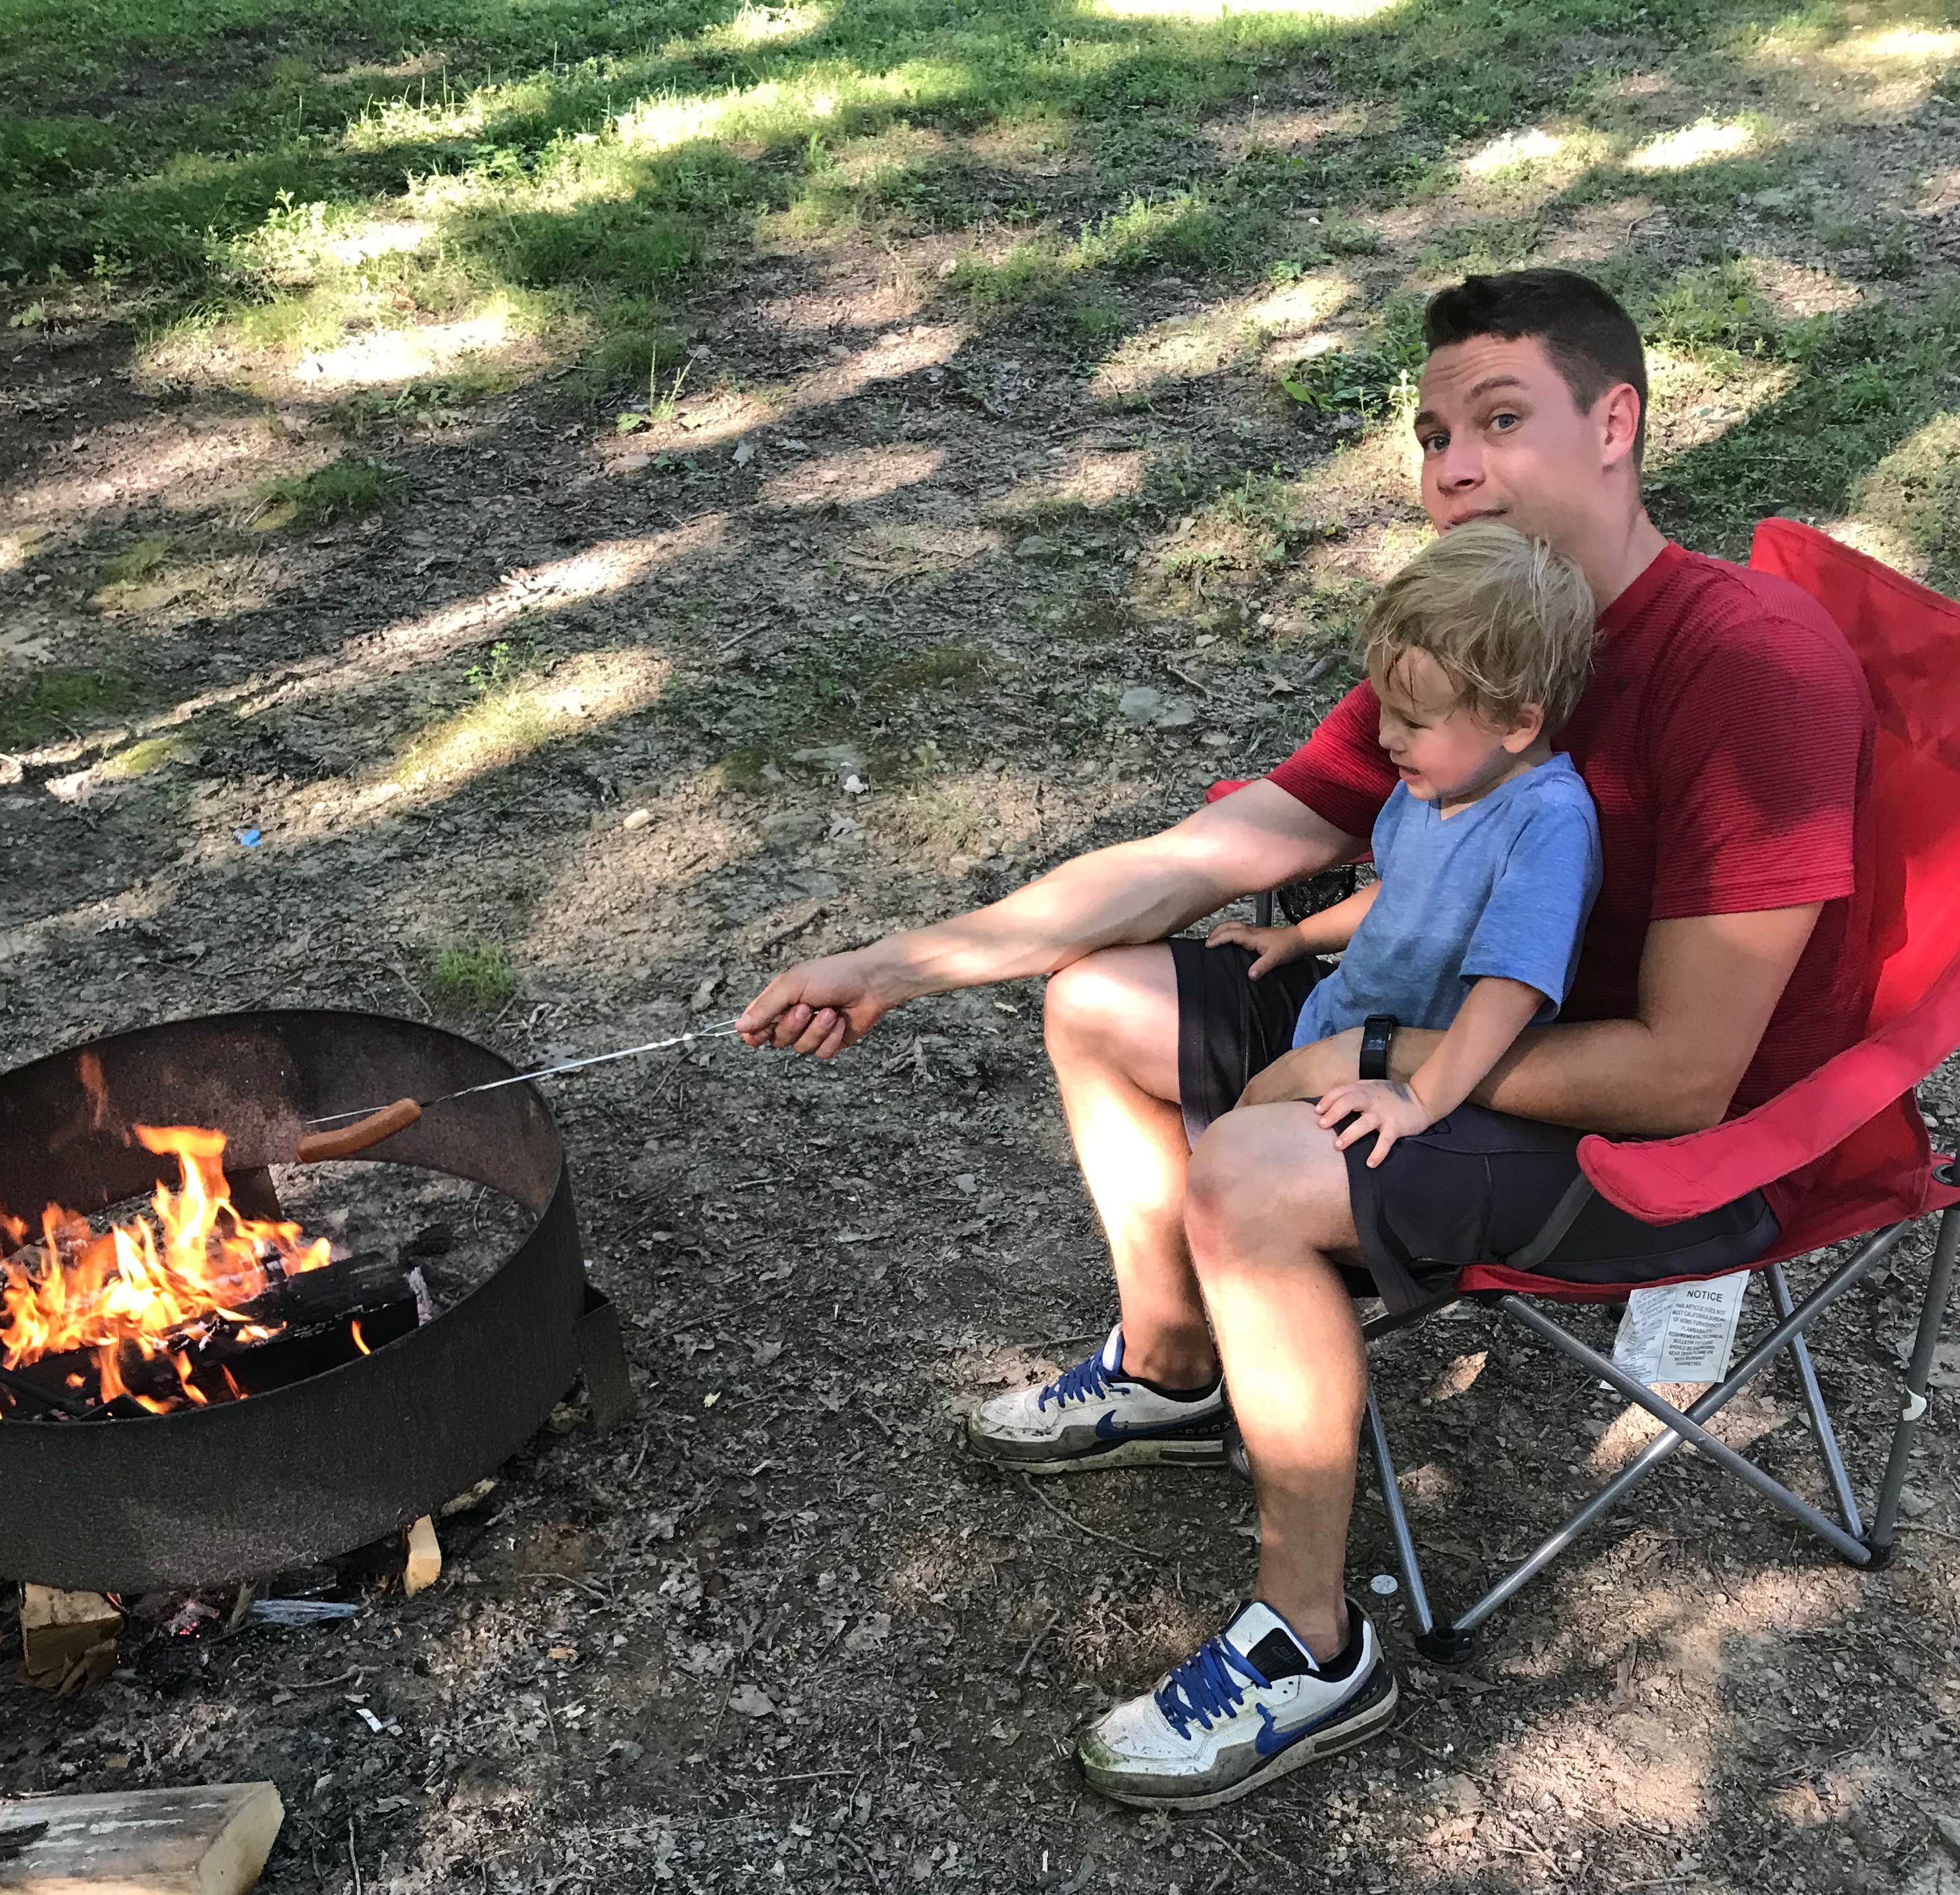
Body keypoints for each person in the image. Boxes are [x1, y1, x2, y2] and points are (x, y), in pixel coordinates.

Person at [737, 266, 1874, 1815]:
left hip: (1659, 1141)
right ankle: (1175, 1362)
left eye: (1499, 421)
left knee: (1259, 1175)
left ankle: (1315, 1648)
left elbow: (1690, 1072)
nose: (1451, 468)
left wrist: (1374, 1065)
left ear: (1618, 424)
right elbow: (1213, 851)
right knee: (1101, 998)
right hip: (1442, 1023)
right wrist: (896, 962)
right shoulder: (1479, 642)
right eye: (1430, 434)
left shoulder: (1748, 665)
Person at [1200, 518, 1603, 1322]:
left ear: (1518, 723)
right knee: (1219, 1161)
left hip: (1417, 1095)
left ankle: (1259, 1335)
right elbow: (1402, 893)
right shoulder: (1433, 782)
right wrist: (1301, 938)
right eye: (1385, 707)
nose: (1384, 736)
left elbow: (1513, 988)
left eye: (1412, 720)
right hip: (1336, 1030)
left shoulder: (1547, 822)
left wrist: (1419, 1099)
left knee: (1226, 1169)